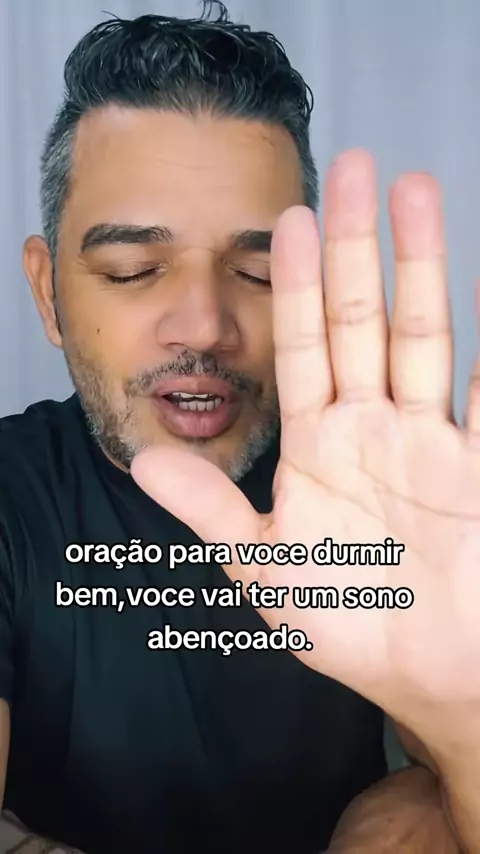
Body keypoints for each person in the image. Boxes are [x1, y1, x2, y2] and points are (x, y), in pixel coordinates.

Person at [0, 1, 474, 852]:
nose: (205, 326)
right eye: (133, 269)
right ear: (47, 292)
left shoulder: (399, 506)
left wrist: (462, 719)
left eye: (257, 273)